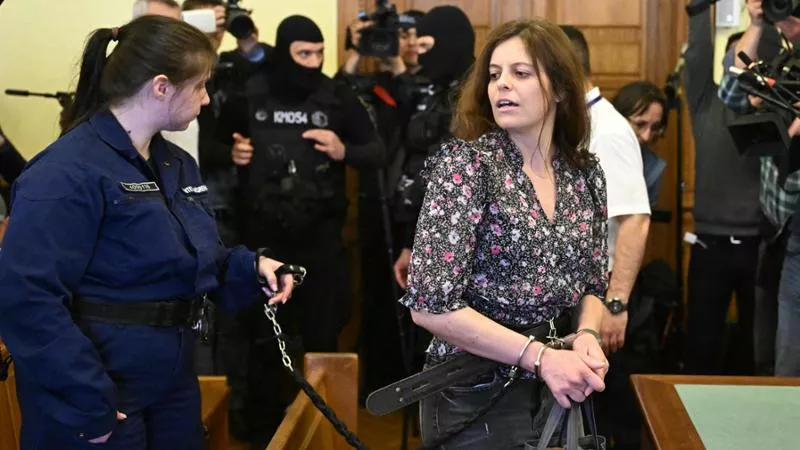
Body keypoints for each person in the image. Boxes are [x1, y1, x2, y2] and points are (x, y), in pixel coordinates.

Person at [0, 16, 296, 449]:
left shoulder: (176, 163)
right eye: (199, 86)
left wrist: (251, 267)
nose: (206, 98)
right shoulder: (66, 171)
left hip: (171, 379)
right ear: (161, 87)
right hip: (101, 386)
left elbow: (189, 255)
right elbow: (27, 298)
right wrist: (86, 396)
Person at [401, 18, 609, 448]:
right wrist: (540, 357)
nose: (502, 85)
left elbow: (593, 284)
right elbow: (428, 307)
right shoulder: (467, 167)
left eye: (521, 73)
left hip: (554, 383)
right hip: (472, 390)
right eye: (494, 75)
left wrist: (588, 333)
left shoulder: (584, 173)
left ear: (560, 88)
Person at [216, 14, 386, 446]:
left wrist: (343, 149)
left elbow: (376, 151)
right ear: (284, 52)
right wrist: (232, 152)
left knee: (322, 339)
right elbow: (210, 145)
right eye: (303, 54)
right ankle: (264, 435)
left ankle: (323, 435)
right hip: (263, 245)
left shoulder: (335, 95)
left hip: (321, 242)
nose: (312, 62)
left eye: (319, 53)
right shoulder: (250, 92)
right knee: (263, 344)